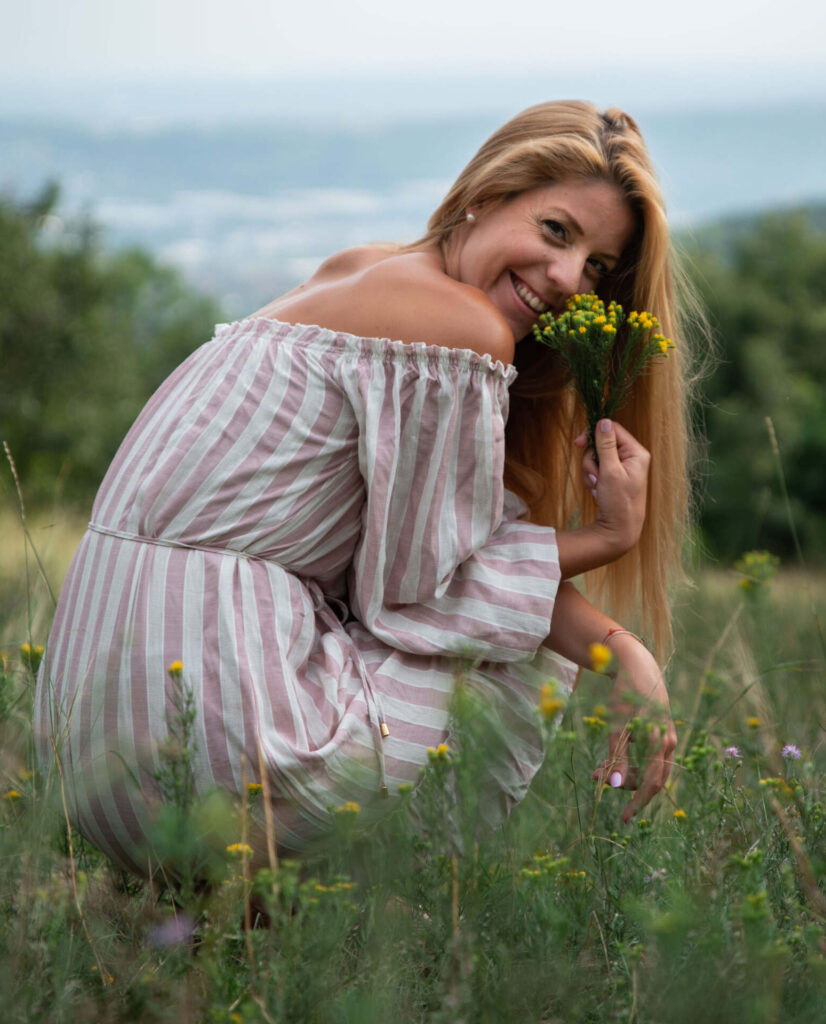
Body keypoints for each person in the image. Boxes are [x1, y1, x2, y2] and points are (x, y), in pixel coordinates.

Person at [34, 100, 698, 875]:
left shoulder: (363, 268)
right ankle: (364, 904)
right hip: (208, 746)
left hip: (88, 744)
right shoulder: (458, 326)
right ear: (487, 192)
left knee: (489, 615)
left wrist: (621, 650)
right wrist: (610, 547)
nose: (566, 279)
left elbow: (448, 565)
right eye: (556, 231)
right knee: (511, 658)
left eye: (596, 267)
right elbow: (419, 594)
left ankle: (245, 914)